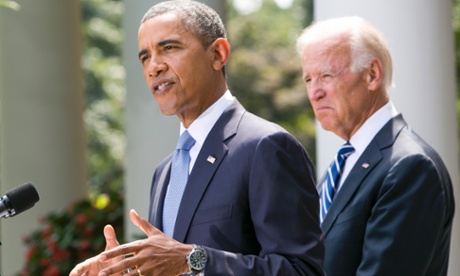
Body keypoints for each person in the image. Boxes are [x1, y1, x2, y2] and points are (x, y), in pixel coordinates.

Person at [70, 1, 325, 275]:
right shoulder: (165, 172)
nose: (154, 67)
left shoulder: (266, 146)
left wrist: (194, 259)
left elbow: (302, 270)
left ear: (218, 54)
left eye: (169, 48)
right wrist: (127, 270)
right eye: (145, 57)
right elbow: (172, 265)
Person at [296, 16, 455, 276]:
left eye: (326, 75)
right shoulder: (344, 163)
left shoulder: (410, 166)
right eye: (308, 80)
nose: (315, 93)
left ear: (372, 75)